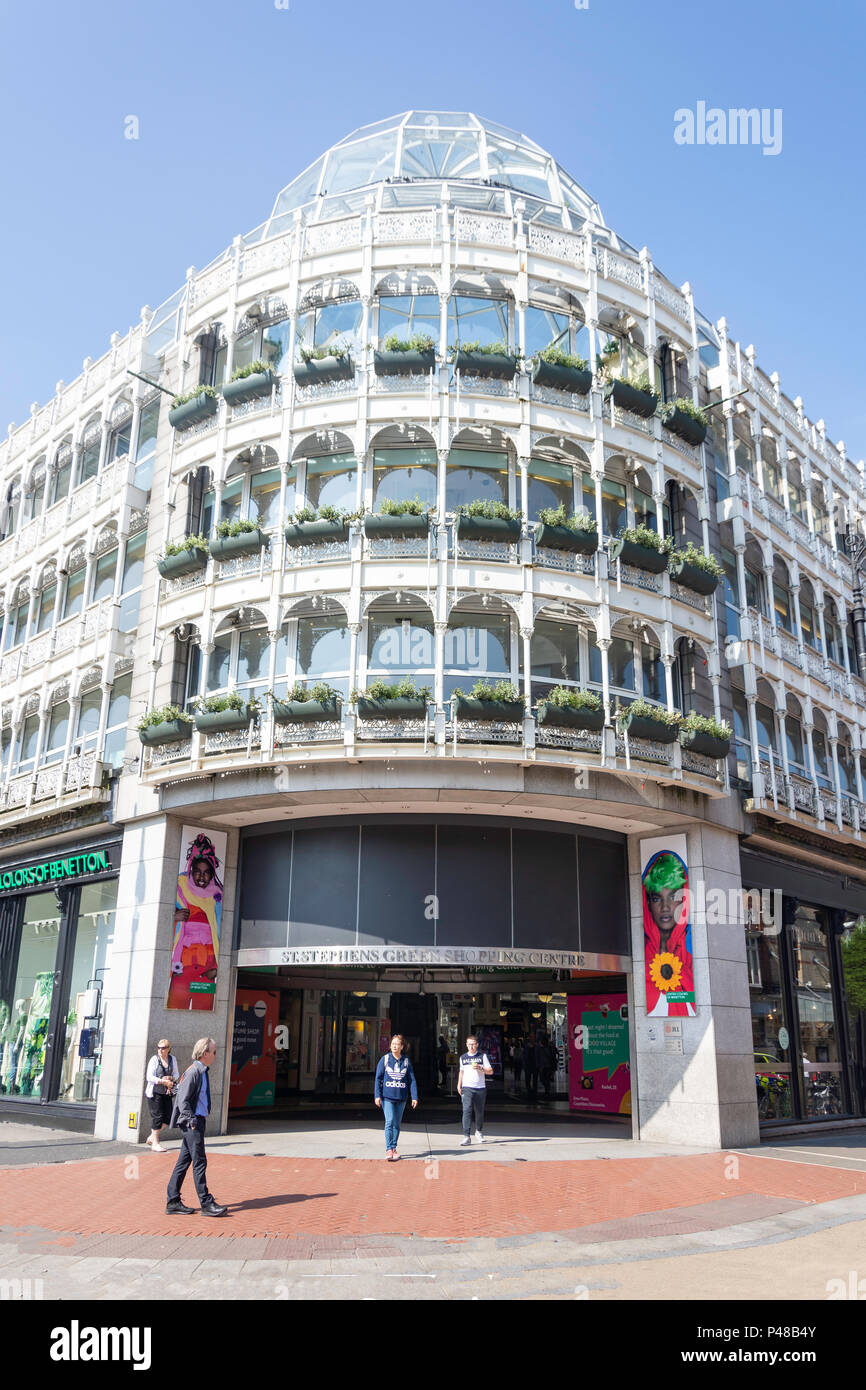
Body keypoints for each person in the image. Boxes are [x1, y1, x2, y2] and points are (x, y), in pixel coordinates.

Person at [165, 1037, 227, 1217]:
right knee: (200, 1161)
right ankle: (206, 1203)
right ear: (205, 1053)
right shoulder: (194, 1072)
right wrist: (191, 1120)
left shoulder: (202, 1071)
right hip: (192, 1122)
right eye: (214, 1052)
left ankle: (173, 1201)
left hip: (196, 1120)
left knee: (183, 1162)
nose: (215, 1055)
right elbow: (183, 1100)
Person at [168, 833, 223, 1011]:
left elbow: (223, 934)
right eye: (197, 872)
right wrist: (173, 917)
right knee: (173, 1012)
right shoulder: (178, 889)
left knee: (204, 1017)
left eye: (206, 873)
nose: (201, 877)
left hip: (206, 972)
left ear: (212, 874)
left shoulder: (218, 899)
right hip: (181, 968)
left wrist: (216, 969)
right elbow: (155, 917)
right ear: (191, 870)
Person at [373, 1034, 418, 1161]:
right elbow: (378, 1079)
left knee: (397, 1124)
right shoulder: (385, 1059)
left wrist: (414, 1096)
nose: (394, 1046)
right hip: (387, 1097)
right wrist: (377, 1095)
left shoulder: (406, 1061)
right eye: (393, 1043)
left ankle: (394, 1148)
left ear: (402, 1046)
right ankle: (388, 1149)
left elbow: (412, 1080)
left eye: (397, 1044)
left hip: (401, 1097)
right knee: (390, 1121)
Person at [457, 1035, 493, 1145]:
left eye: (473, 1044)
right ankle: (466, 1136)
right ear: (466, 1045)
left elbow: (490, 1071)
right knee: (466, 1111)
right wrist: (459, 1085)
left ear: (477, 1045)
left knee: (479, 1112)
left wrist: (481, 1068)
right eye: (469, 1044)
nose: (471, 1046)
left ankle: (478, 1131)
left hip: (480, 1088)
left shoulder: (482, 1056)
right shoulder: (463, 1058)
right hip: (467, 1087)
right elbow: (461, 1072)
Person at [144, 1038, 179, 1152]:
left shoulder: (172, 1059)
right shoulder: (154, 1060)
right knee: (157, 1117)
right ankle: (155, 1143)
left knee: (168, 1118)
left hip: (167, 1092)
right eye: (158, 1048)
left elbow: (176, 1074)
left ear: (168, 1049)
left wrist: (170, 1078)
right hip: (155, 1093)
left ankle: (152, 1136)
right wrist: (162, 1081)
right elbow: (149, 1077)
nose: (160, 1050)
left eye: (163, 1048)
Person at [523, 1034, 538, 1102]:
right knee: (527, 1079)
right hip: (528, 1065)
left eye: (533, 1037)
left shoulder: (536, 1046)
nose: (532, 1039)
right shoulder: (526, 1046)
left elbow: (538, 1055)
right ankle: (528, 1091)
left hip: (535, 1065)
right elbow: (524, 1055)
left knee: (535, 1079)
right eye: (531, 1037)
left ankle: (534, 1092)